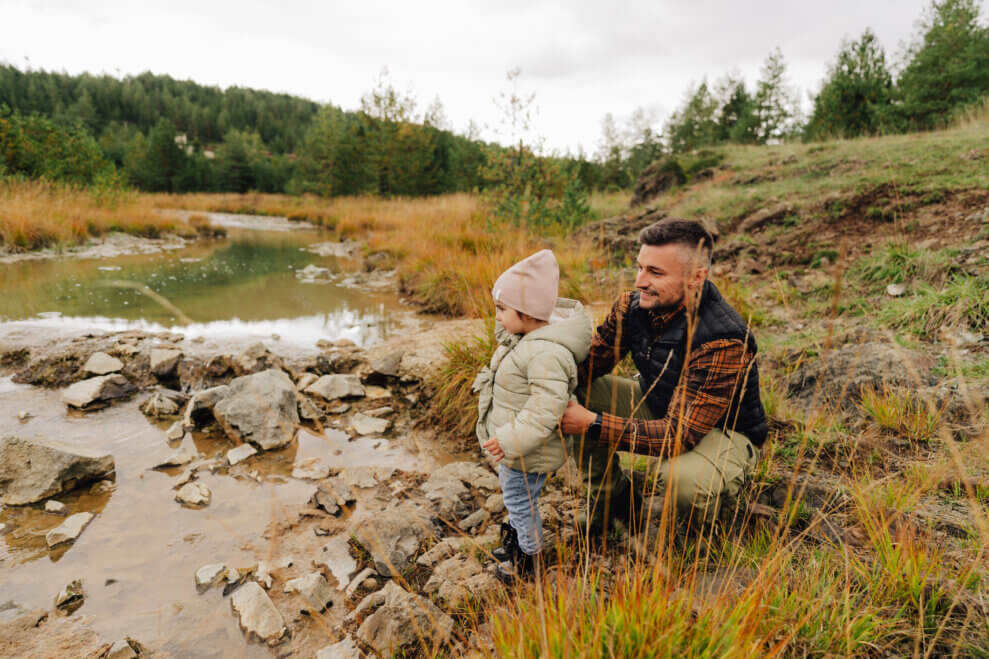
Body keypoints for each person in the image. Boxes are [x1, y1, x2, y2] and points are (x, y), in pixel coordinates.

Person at [560, 218, 768, 536]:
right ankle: (615, 501)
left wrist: (592, 424)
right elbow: (586, 366)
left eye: (655, 273)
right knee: (571, 391)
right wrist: (526, 370)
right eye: (640, 267)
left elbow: (678, 435)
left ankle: (697, 539)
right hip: (660, 405)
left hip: (722, 433)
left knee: (681, 480)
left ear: (697, 277)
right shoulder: (632, 308)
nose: (640, 281)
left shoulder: (723, 338)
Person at [474, 249, 592, 582]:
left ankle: (528, 558)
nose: (496, 317)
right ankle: (516, 540)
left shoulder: (545, 353)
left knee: (519, 499)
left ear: (527, 312)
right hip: (518, 445)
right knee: (517, 496)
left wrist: (511, 439)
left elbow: (546, 408)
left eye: (501, 309)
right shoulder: (526, 339)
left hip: (527, 449)